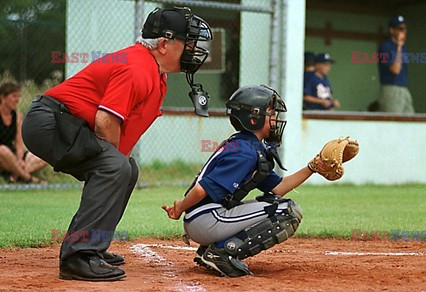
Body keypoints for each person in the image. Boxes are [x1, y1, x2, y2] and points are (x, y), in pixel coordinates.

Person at [21, 7, 212, 281]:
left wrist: (116, 166)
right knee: (115, 166)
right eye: (188, 43)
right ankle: (79, 256)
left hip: (63, 122)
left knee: (126, 169)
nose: (194, 49)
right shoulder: (138, 67)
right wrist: (112, 165)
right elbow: (105, 121)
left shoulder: (155, 72)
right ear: (163, 44)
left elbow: (123, 132)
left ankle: (93, 245)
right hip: (50, 121)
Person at [163, 85, 318, 277]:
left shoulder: (248, 145)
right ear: (254, 119)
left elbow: (278, 188)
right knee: (287, 211)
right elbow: (203, 189)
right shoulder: (244, 153)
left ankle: (213, 249)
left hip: (207, 217)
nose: (276, 119)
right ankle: (221, 253)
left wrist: (313, 167)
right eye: (270, 113)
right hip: (205, 220)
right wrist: (180, 207)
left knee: (278, 204)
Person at [0, 82, 47, 183]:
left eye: (18, 96)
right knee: (2, 150)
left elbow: (19, 142)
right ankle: (29, 178)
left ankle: (15, 175)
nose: (17, 100)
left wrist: (20, 159)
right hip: (2, 154)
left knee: (45, 155)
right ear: (2, 98)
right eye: (14, 96)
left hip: (12, 154)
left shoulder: (17, 116)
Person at [377, 15, 414, 114]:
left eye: (405, 29)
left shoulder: (403, 47)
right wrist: (398, 46)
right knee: (394, 121)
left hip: (403, 88)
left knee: (410, 119)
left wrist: (400, 46)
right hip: (391, 88)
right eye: (400, 29)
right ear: (392, 30)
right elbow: (395, 69)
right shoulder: (385, 47)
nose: (404, 31)